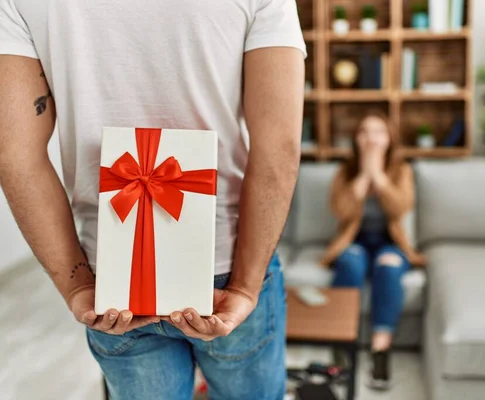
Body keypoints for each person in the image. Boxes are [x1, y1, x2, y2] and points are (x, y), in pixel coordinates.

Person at [0, 1, 305, 399]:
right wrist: (246, 288)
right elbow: (278, 147)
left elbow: (14, 156)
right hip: (228, 266)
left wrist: (77, 286)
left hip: (112, 276)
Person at [320, 110, 427, 391]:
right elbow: (340, 210)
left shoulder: (402, 170)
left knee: (389, 266)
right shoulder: (345, 170)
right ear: (356, 139)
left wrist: (378, 175)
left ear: (390, 138)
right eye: (364, 131)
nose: (371, 138)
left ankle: (380, 351)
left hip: (390, 243)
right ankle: (341, 345)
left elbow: (400, 207)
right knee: (351, 263)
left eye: (378, 131)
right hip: (353, 241)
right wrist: (363, 177)